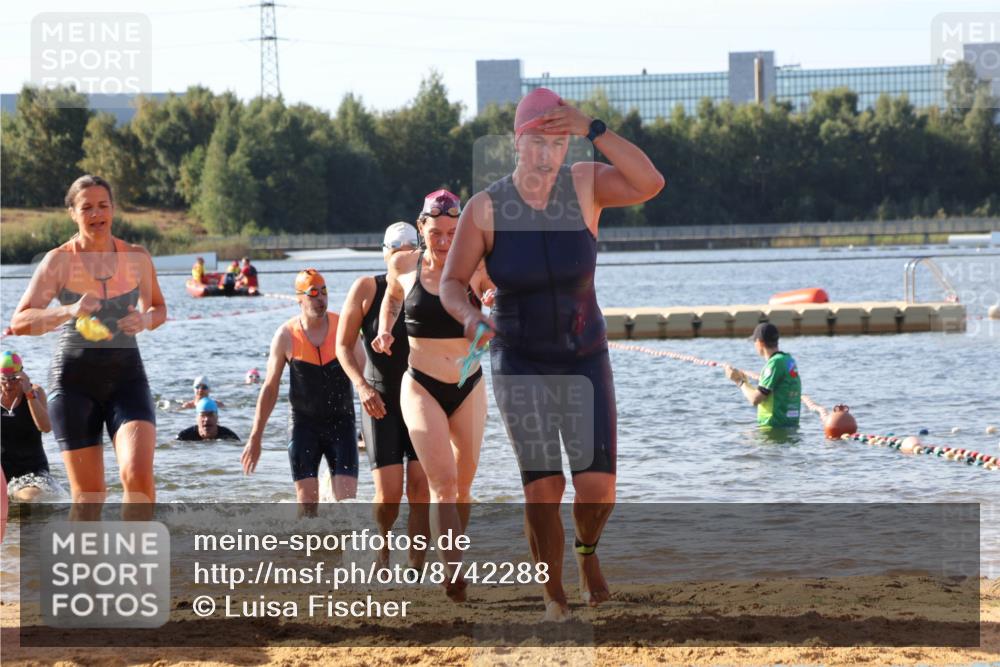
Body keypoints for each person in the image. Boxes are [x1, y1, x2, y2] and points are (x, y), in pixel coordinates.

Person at [439, 88, 665, 620]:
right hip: (519, 357)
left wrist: (596, 129)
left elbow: (651, 182)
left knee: (596, 490)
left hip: (585, 356)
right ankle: (554, 596)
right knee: (544, 486)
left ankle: (587, 553)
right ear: (517, 142)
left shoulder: (586, 187)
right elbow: (451, 284)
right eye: (538, 139)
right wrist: (472, 317)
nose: (549, 151)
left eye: (560, 140)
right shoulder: (486, 208)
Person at [10, 175, 167, 512]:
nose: (96, 214)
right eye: (87, 208)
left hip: (127, 380)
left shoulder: (136, 257)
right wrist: (68, 309)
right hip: (73, 384)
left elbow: (159, 308)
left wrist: (145, 320)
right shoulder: (57, 261)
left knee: (138, 477)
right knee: (89, 499)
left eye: (103, 205)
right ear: (73, 213)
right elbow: (19, 322)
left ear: (113, 209)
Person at [372, 191, 494, 601]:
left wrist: (494, 299)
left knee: (463, 485)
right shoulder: (403, 264)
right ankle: (453, 574)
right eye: (436, 232)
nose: (444, 241)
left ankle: (451, 556)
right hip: (421, 383)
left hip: (468, 382)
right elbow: (390, 296)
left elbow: (501, 294)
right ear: (421, 228)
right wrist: (385, 328)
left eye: (453, 232)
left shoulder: (476, 267)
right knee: (442, 482)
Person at [337, 222, 430, 570]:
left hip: (422, 399)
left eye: (410, 249)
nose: (403, 257)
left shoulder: (428, 287)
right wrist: (361, 387)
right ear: (385, 254)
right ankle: (383, 551)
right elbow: (343, 345)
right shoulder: (366, 288)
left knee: (420, 491)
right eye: (397, 250)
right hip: (380, 402)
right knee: (389, 495)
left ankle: (417, 565)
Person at [241, 269, 364, 514]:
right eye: (313, 293)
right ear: (299, 298)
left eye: (324, 292)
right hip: (303, 425)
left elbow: (364, 375)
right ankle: (305, 551)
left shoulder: (344, 327)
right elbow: (270, 387)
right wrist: (256, 436)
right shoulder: (286, 335)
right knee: (307, 505)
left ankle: (342, 551)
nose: (321, 299)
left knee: (347, 504)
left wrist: (372, 425)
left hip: (342, 422)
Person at [724, 323, 802, 429]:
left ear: (759, 343)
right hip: (790, 426)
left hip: (773, 429)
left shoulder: (774, 364)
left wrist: (739, 381)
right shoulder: (788, 360)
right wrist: (748, 380)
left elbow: (755, 399)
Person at [0, 351, 54, 501]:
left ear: (22, 375)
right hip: (2, 470)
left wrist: (29, 393)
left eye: (14, 379)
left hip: (32, 470)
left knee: (28, 497)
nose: (8, 385)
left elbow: (46, 427)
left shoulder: (35, 392)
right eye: (4, 379)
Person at [176, 398, 240, 441]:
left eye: (210, 415)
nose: (206, 419)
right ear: (197, 419)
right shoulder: (184, 436)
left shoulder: (229, 436)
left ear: (217, 418)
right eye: (203, 415)